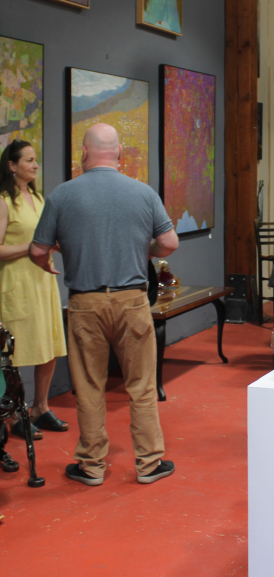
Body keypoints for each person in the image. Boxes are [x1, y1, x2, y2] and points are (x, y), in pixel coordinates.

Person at [30, 123, 180, 485]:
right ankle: (148, 464)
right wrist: (138, 247)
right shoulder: (143, 193)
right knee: (141, 386)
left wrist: (57, 254)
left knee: (90, 386)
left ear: (83, 152)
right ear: (119, 154)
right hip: (131, 302)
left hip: (85, 303)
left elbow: (37, 249)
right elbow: (169, 244)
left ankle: (91, 465)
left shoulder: (62, 195)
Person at [0, 140, 67, 441]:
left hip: (42, 282)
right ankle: (14, 413)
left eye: (35, 159)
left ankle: (41, 407)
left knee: (48, 346)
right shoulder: (3, 201)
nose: (35, 165)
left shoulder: (39, 199)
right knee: (12, 355)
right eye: (28, 160)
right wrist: (31, 248)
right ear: (12, 166)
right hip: (16, 285)